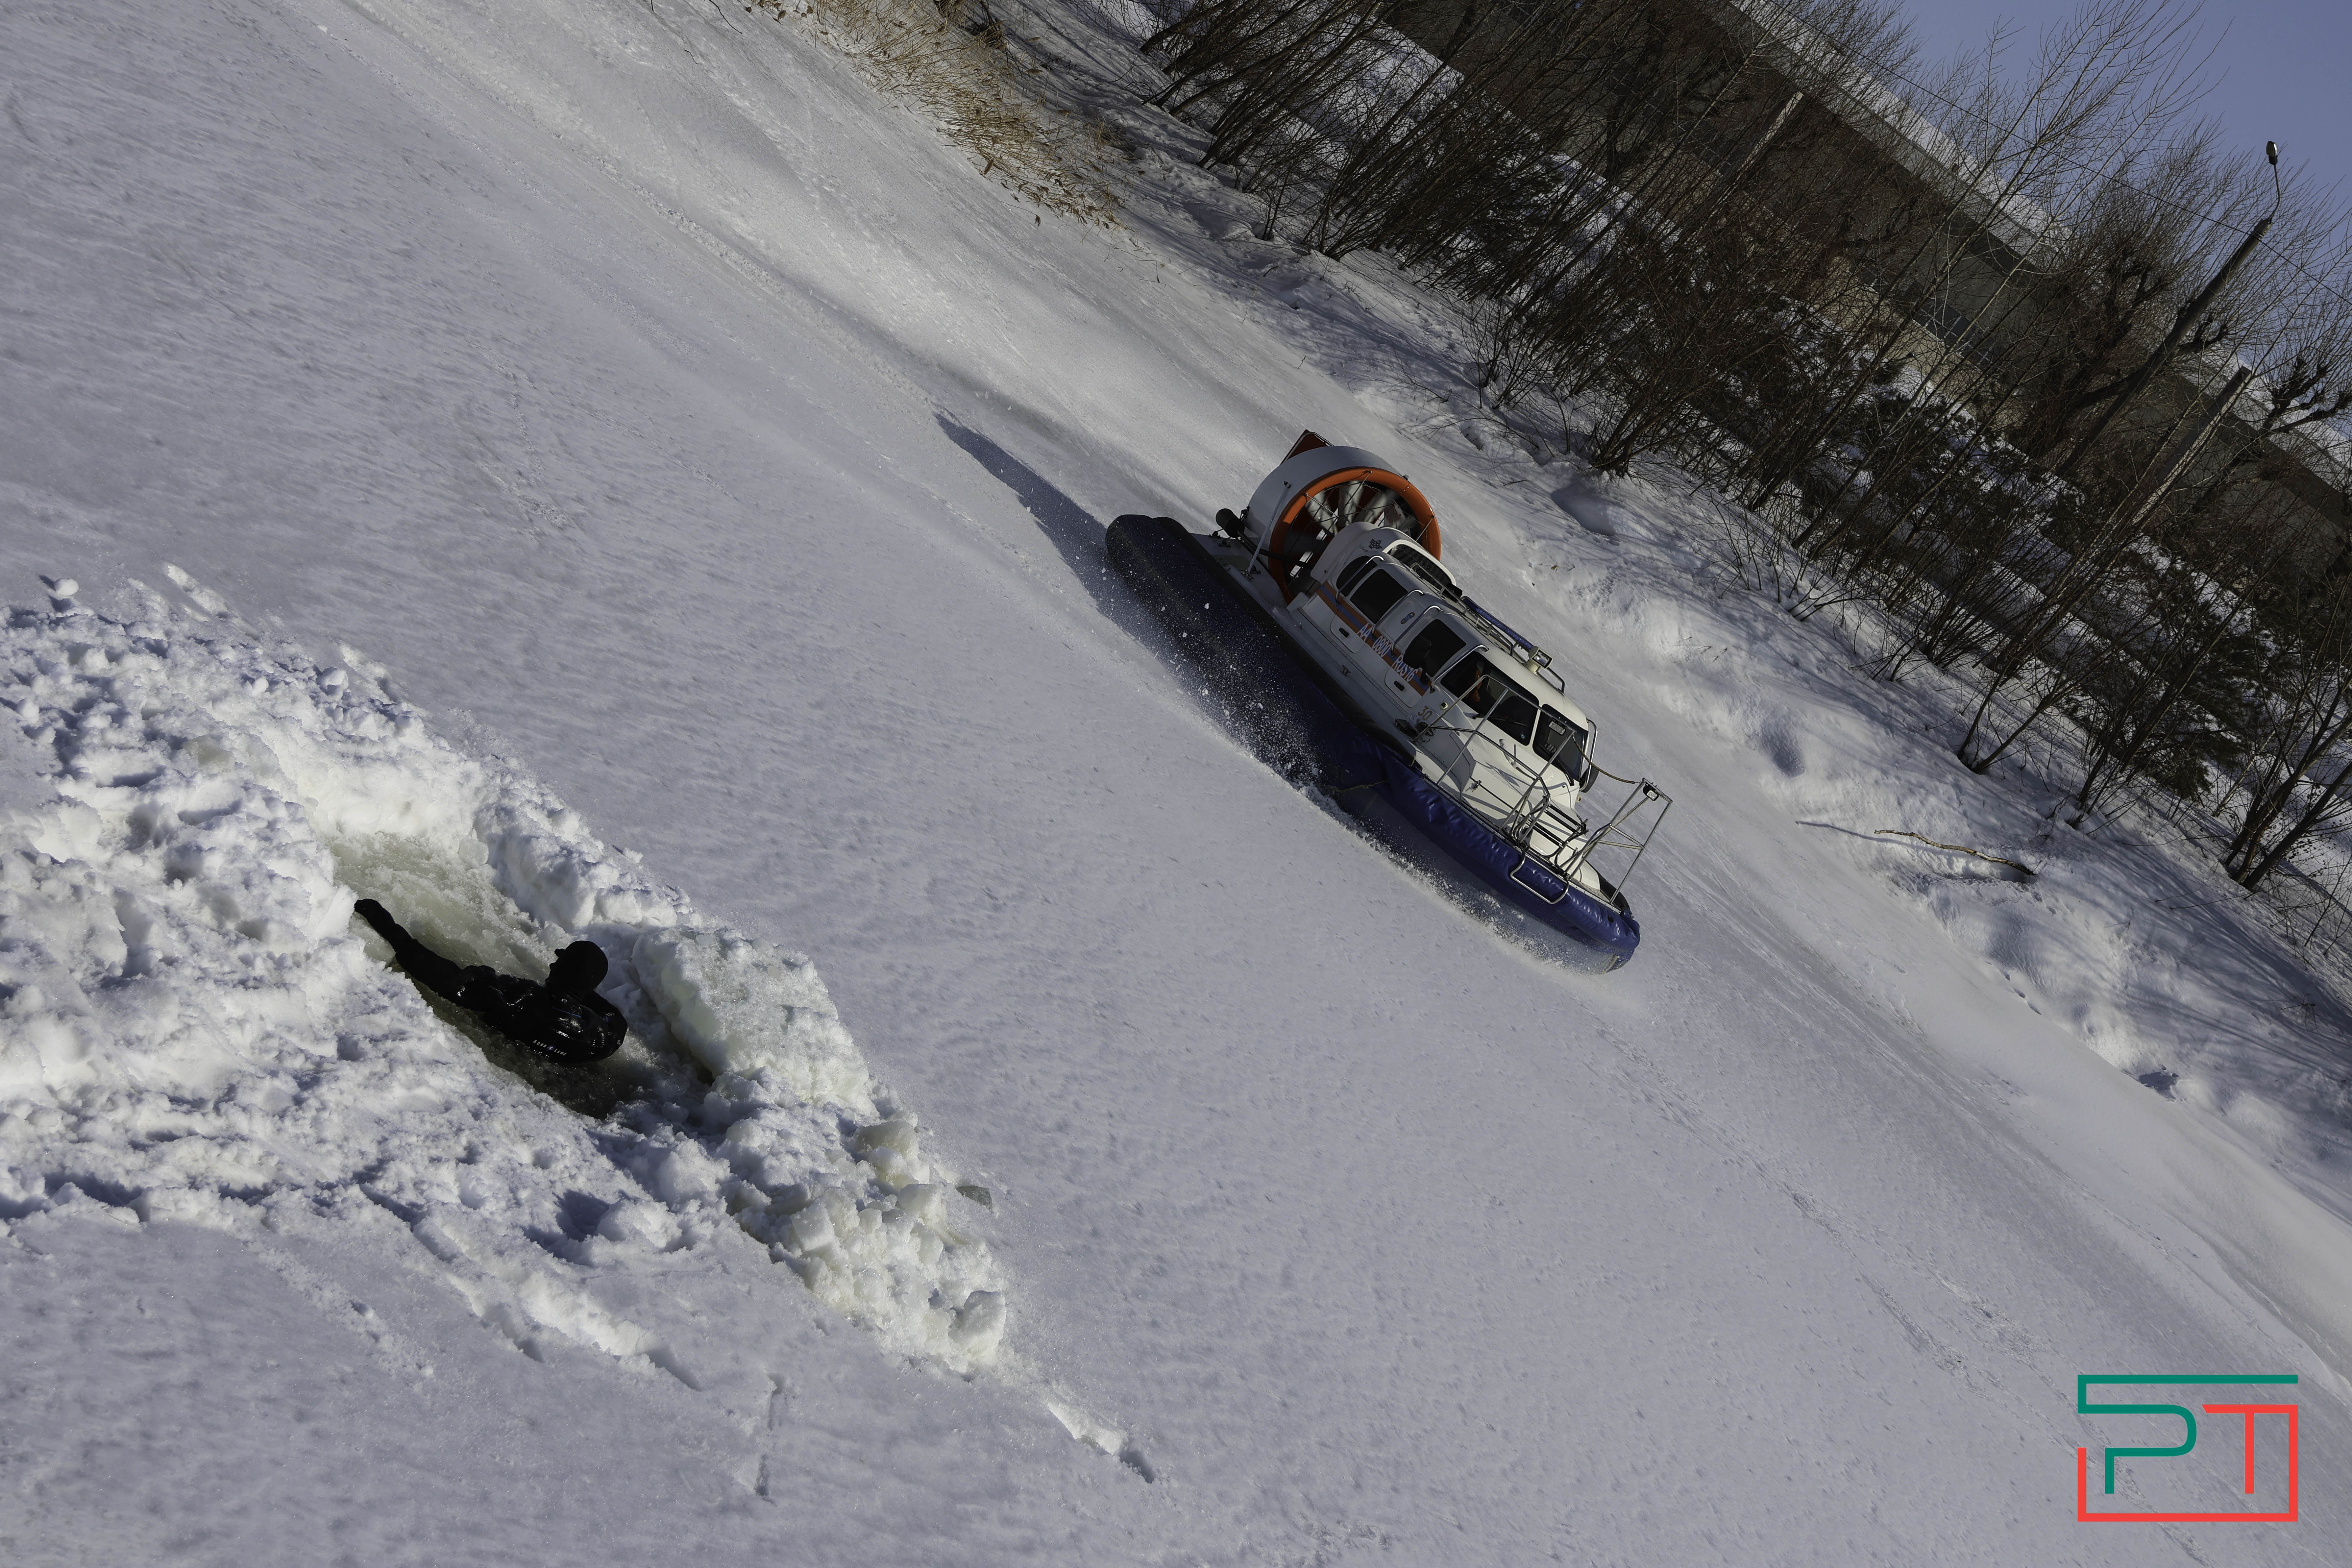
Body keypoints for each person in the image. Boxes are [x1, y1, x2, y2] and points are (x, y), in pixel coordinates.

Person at [355, 898, 626, 1064]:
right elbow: (616, 1018)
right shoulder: (602, 1038)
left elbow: (447, 982)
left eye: (561, 963)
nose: (553, 964)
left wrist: (388, 927)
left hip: (506, 1049)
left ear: (564, 971)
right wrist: (579, 987)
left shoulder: (521, 997)